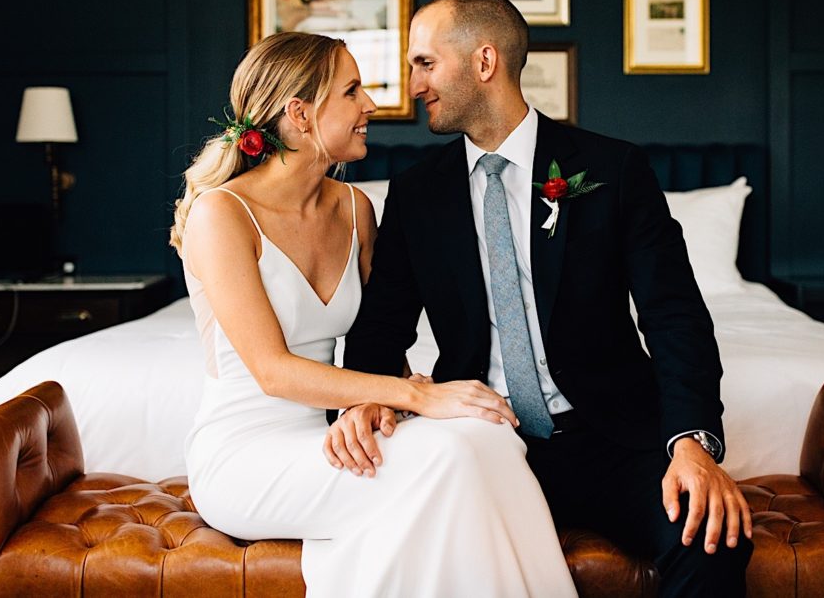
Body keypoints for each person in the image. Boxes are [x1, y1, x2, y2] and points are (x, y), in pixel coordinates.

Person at [330, 0, 754, 596]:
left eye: (425, 63)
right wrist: (360, 400)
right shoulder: (417, 194)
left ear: (484, 62)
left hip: (612, 437)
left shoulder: (614, 169)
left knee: (713, 540)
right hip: (480, 443)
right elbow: (381, 326)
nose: (413, 82)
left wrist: (691, 442)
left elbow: (674, 314)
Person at [170, 31, 577, 597]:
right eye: (353, 91)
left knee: (487, 434)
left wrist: (372, 401)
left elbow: (381, 336)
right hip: (247, 453)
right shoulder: (223, 215)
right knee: (450, 463)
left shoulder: (356, 209)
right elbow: (273, 370)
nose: (371, 106)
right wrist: (414, 395)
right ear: (301, 113)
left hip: (333, 433)